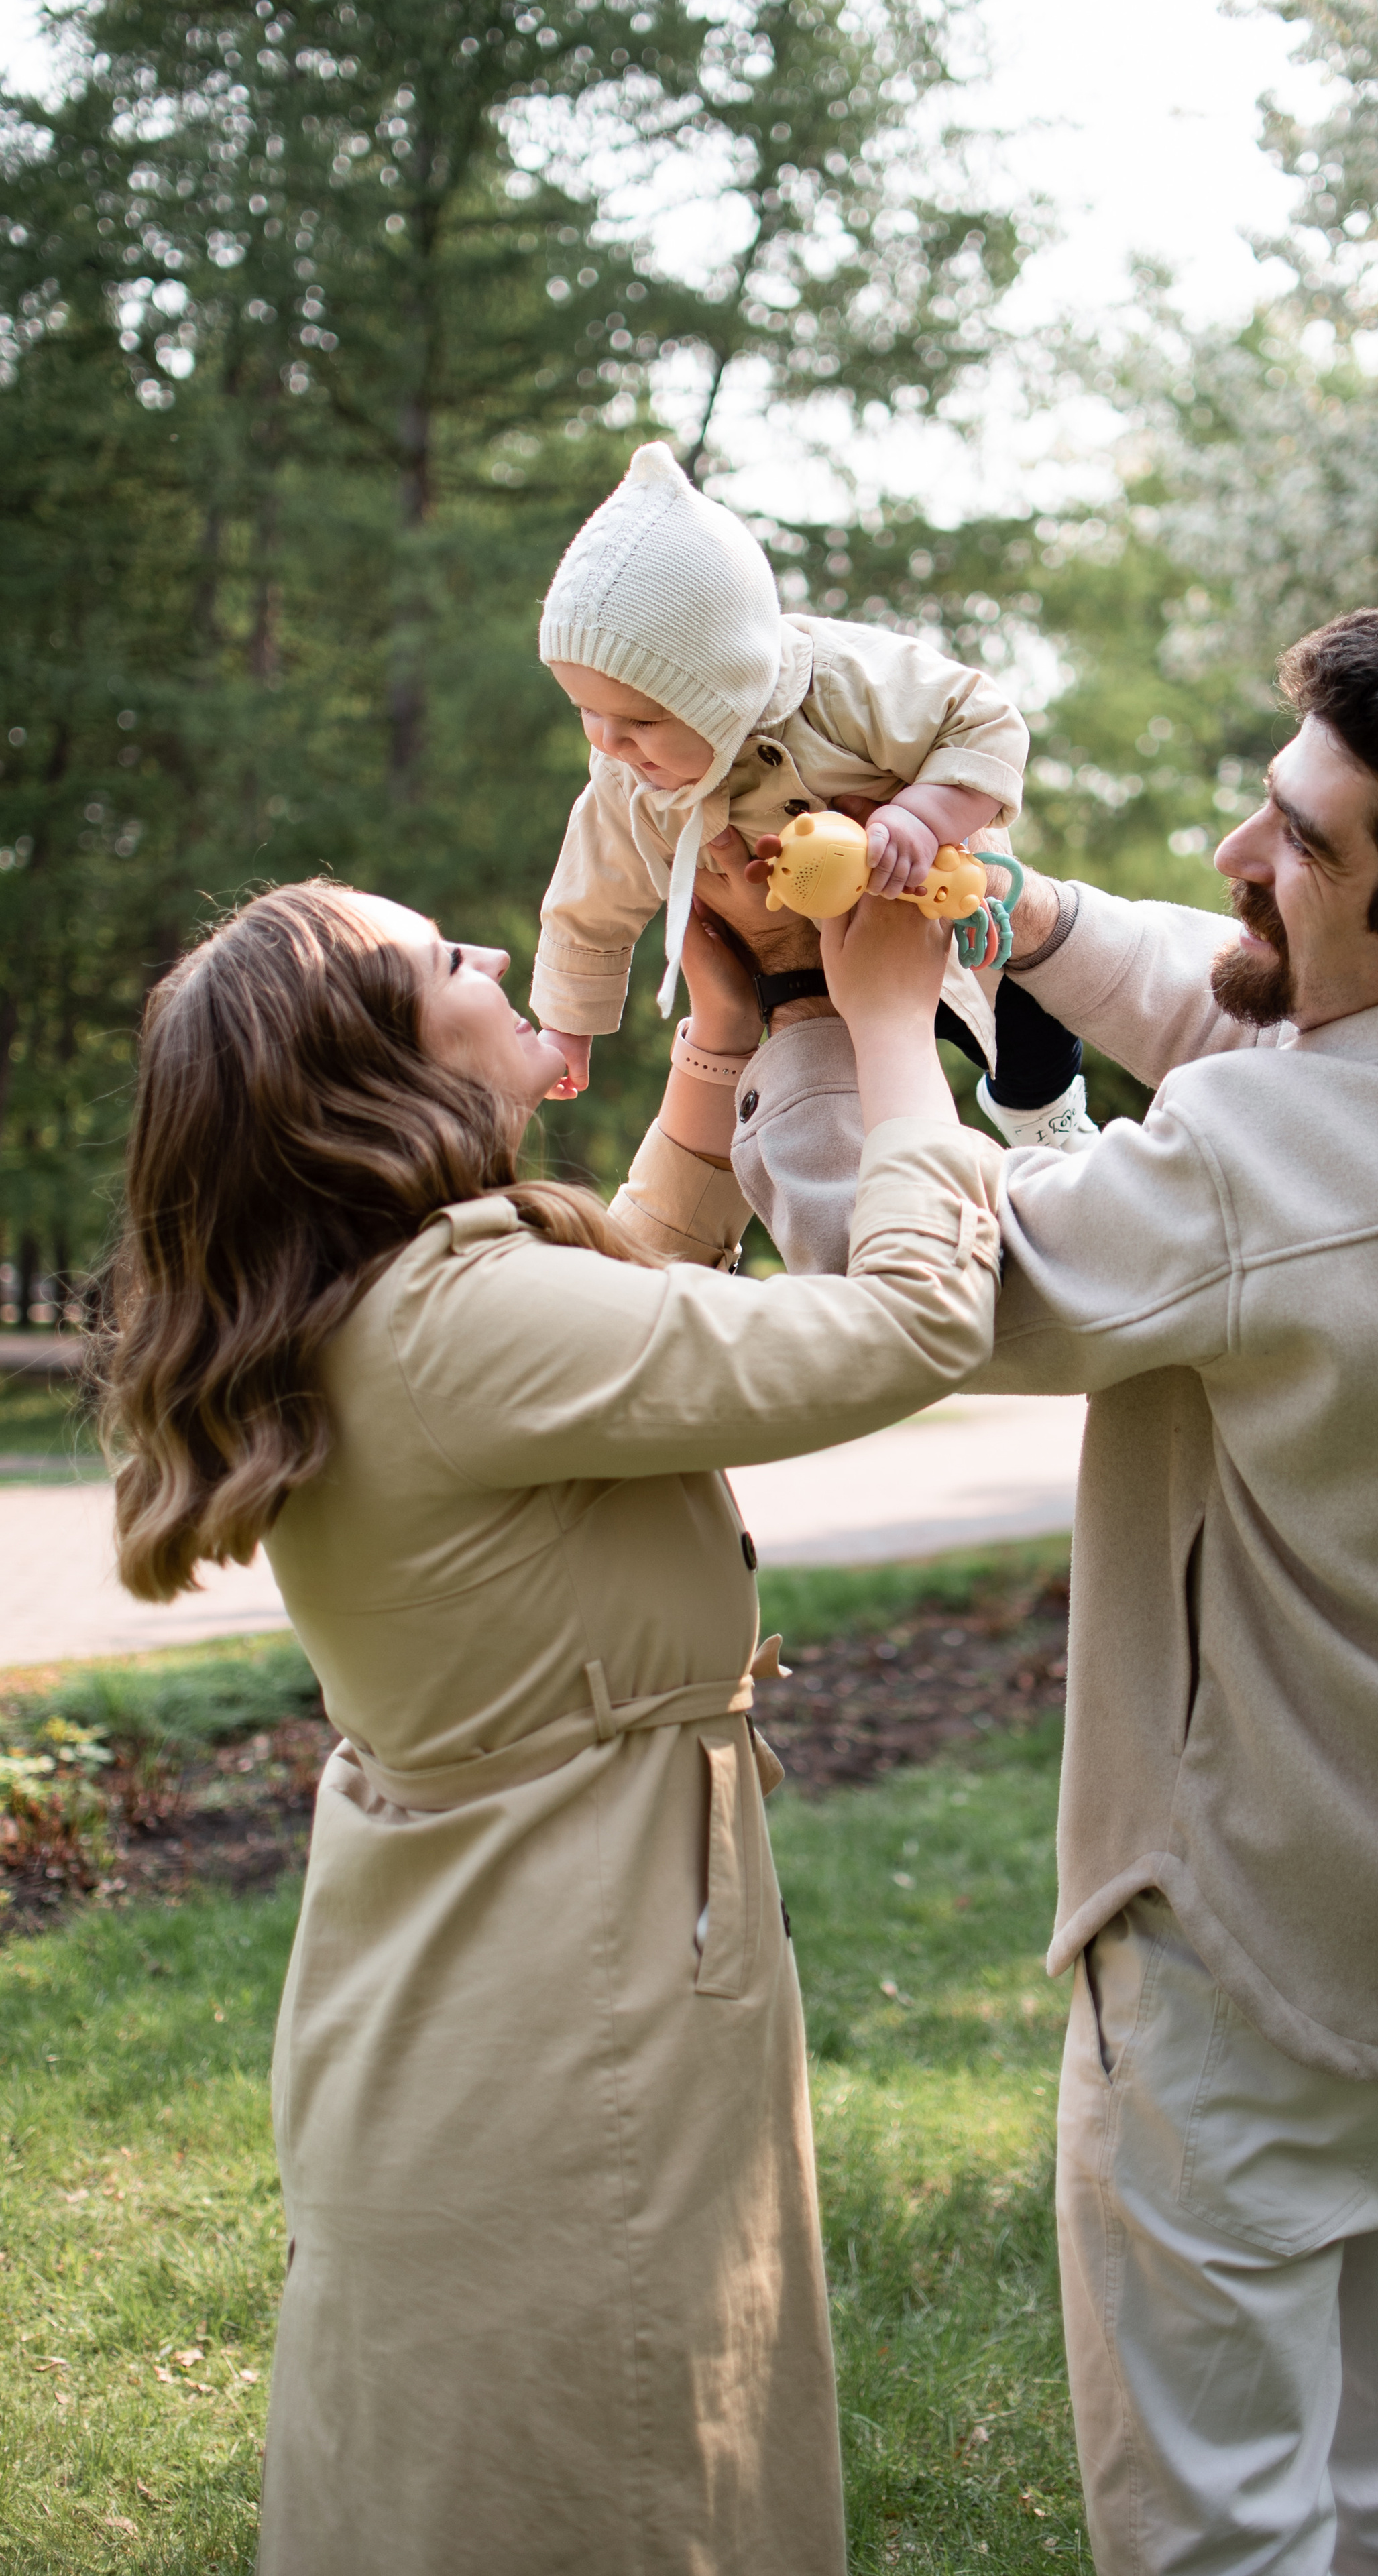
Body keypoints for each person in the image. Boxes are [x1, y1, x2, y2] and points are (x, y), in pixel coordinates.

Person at [707, 604, 1378, 2574]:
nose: (1244, 859)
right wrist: (1007, 900)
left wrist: (845, 1020)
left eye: (1304, 845)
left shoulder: (1265, 1170)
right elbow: (1244, 996)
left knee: (1222, 2529)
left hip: (1254, 1953)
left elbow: (905, 1272)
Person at [97, 876, 1004, 2576]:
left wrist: (721, 1044)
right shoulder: (459, 1325)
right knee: (613, 2469)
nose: (498, 952)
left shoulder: (402, 1301)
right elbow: (909, 1323)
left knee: (527, 2454)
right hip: (559, 1973)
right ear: (373, 1072)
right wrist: (892, 1024)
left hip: (487, 1966)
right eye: (444, 957)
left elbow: (632, 1301)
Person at [529, 436, 1098, 1150]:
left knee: (1025, 1008)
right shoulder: (628, 782)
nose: (609, 743)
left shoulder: (843, 683)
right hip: (803, 966)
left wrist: (922, 817)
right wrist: (566, 1024)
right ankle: (893, 1186)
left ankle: (1049, 1125)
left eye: (641, 721)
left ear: (726, 685)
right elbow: (591, 899)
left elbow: (984, 721)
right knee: (815, 1095)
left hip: (941, 904)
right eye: (588, 712)